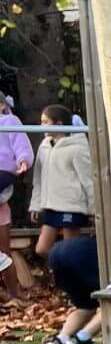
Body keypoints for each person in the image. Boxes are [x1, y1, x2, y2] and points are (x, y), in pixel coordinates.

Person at [29, 102, 94, 263]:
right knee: (42, 248)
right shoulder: (44, 146)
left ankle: (73, 285)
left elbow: (88, 180)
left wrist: (94, 209)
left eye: (45, 122)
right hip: (51, 205)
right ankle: (64, 274)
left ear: (58, 124)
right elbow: (38, 178)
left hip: (71, 206)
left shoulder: (77, 147)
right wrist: (36, 205)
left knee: (70, 250)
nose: (41, 126)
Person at [44, 232, 103, 344]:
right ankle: (83, 339)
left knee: (85, 306)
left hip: (57, 252)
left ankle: (60, 341)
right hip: (82, 254)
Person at [0, 92, 33, 300]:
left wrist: (23, 161)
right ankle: (8, 294)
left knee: (4, 252)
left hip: (3, 174)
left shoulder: (9, 121)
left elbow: (21, 144)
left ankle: (13, 293)